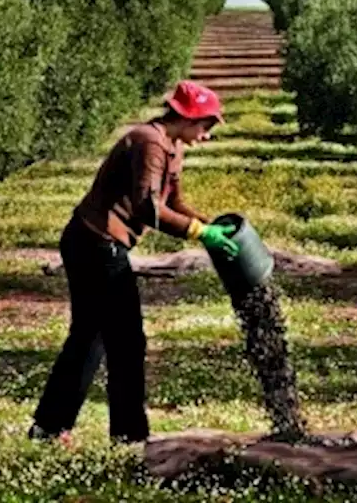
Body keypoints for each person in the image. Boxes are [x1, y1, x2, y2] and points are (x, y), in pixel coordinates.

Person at [27, 80, 241, 444]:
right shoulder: (149, 142)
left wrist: (208, 225)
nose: (206, 135)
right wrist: (197, 233)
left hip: (97, 242)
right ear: (187, 117)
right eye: (206, 126)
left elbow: (173, 204)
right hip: (96, 242)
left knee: (90, 338)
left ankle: (49, 426)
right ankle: (129, 436)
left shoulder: (172, 147)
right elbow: (147, 207)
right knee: (125, 341)